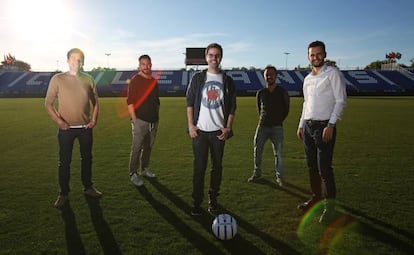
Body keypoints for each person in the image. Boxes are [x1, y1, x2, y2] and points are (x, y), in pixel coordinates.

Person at [296, 40, 347, 223]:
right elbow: (305, 103)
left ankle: (330, 208)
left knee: (324, 168)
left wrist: (331, 125)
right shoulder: (308, 79)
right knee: (312, 166)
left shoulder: (332, 73)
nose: (315, 57)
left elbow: (341, 100)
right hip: (308, 127)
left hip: (324, 126)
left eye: (318, 54)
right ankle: (315, 198)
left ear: (324, 54)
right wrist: (301, 124)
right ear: (308, 57)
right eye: (312, 55)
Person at [45, 48, 102, 208]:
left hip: (85, 128)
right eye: (73, 58)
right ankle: (63, 194)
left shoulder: (88, 79)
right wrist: (59, 121)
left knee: (87, 159)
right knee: (64, 162)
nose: (75, 62)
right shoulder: (58, 79)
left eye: (79, 59)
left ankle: (88, 187)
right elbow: (48, 104)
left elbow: (96, 102)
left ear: (82, 62)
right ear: (68, 60)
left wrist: (94, 120)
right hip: (65, 130)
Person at [186, 43, 237, 215]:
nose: (213, 58)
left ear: (220, 57)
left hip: (218, 133)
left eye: (217, 55)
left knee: (217, 167)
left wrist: (228, 128)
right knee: (199, 168)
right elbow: (189, 103)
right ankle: (196, 202)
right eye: (211, 55)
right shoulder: (198, 78)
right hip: (199, 132)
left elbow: (232, 107)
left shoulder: (227, 81)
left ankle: (213, 199)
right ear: (206, 57)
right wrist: (191, 125)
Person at [248, 65, 290, 186]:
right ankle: (257, 173)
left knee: (278, 154)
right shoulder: (261, 92)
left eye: (271, 74)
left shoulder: (282, 92)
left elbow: (286, 109)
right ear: (264, 77)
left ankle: (280, 177)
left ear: (276, 76)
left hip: (277, 127)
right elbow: (259, 109)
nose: (269, 77)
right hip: (262, 127)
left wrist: (278, 120)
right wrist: (263, 120)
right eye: (267, 75)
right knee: (257, 150)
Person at [127, 54, 160, 187]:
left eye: (148, 64)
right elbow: (129, 101)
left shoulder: (154, 81)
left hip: (153, 121)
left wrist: (156, 117)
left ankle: (144, 169)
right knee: (136, 148)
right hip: (140, 120)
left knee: (148, 147)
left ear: (151, 64)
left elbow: (156, 101)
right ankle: (133, 173)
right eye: (143, 64)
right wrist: (135, 120)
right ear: (139, 66)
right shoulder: (135, 80)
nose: (146, 66)